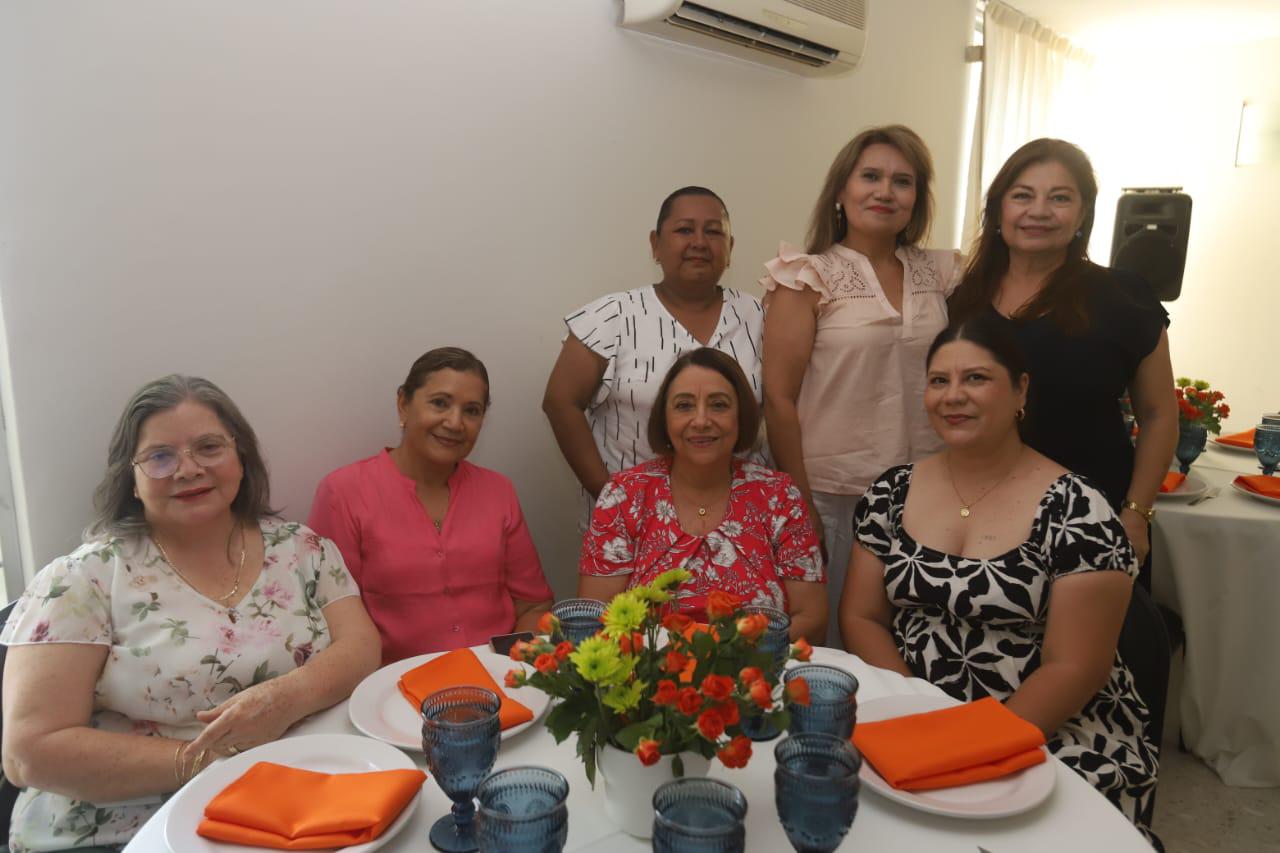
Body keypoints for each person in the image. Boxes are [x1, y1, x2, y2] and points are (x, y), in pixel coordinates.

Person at [0, 376, 381, 852]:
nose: (188, 469)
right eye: (160, 456)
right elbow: (29, 754)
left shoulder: (302, 548)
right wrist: (211, 760)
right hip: (125, 829)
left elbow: (362, 647)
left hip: (298, 804)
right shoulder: (82, 579)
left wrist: (286, 698)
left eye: (208, 447)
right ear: (132, 479)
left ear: (240, 456)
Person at [840, 318, 1158, 834]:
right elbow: (861, 615)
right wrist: (913, 714)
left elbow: (1074, 667)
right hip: (908, 712)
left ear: (1021, 390)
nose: (953, 396)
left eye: (976, 379)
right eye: (939, 380)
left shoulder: (1079, 508)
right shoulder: (891, 492)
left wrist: (965, 747)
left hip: (1048, 726)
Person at [760, 125, 961, 645]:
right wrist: (799, 504)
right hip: (832, 494)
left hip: (924, 488)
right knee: (825, 645)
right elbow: (778, 399)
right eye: (870, 176)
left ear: (917, 199)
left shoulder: (941, 273)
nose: (885, 191)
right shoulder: (806, 276)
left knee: (910, 636)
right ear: (841, 191)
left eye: (903, 181)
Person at [947, 138, 1177, 583]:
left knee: (1088, 649)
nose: (1039, 211)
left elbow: (1159, 413)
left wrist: (1137, 514)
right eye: (1022, 195)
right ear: (998, 212)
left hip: (1092, 515)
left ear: (1082, 214)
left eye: (1059, 198)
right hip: (976, 512)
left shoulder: (1123, 297)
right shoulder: (961, 299)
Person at [309, 347, 554, 664]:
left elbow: (533, 606)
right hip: (391, 691)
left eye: (472, 410)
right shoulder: (343, 493)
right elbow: (328, 623)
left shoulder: (498, 491)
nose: (455, 422)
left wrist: (507, 669)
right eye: (440, 403)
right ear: (403, 404)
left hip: (496, 682)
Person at [543, 186, 765, 527]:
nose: (700, 242)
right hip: (631, 520)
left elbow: (784, 405)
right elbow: (560, 403)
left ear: (730, 248)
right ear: (656, 244)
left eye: (714, 231)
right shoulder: (610, 317)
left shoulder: (761, 317)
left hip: (739, 519)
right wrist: (610, 498)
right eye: (684, 230)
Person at [579, 348, 826, 644]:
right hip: (646, 676)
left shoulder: (779, 495)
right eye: (684, 406)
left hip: (757, 674)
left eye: (718, 405)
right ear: (664, 419)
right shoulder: (624, 495)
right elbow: (595, 618)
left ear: (741, 416)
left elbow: (811, 618)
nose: (701, 420)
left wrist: (727, 659)